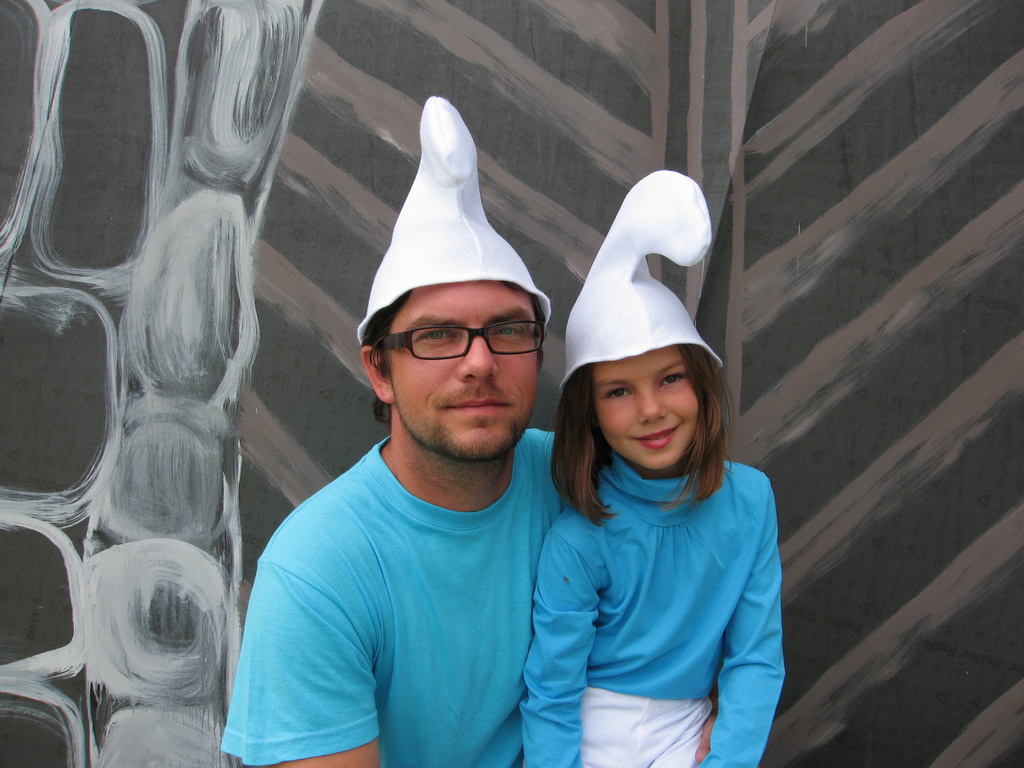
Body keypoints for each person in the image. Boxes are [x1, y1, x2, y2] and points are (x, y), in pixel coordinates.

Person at [221, 97, 561, 767]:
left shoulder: (578, 481)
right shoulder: (317, 572)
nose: (480, 363)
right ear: (380, 370)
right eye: (437, 336)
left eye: (507, 329)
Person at [520, 172, 785, 767]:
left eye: (670, 378)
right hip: (590, 736)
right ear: (591, 414)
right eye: (618, 391)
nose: (650, 410)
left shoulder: (750, 501)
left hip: (688, 730)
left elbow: (756, 657)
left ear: (702, 383)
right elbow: (552, 693)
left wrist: (725, 761)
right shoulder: (579, 540)